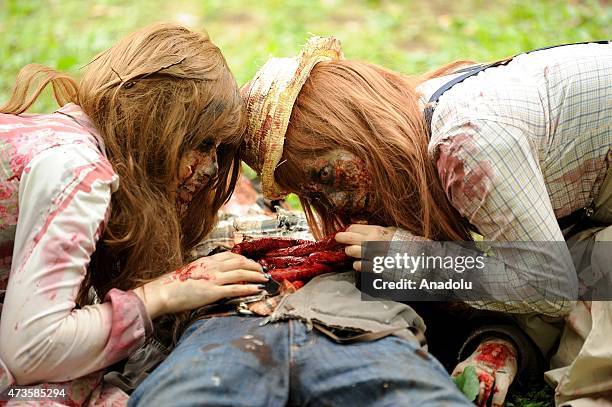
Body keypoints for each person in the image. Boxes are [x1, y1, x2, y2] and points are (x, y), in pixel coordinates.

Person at [239, 37, 612, 406]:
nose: (335, 202)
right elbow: (537, 258)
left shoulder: (466, 143)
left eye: (324, 175)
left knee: (589, 372)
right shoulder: (426, 109)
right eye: (314, 195)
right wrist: (499, 341)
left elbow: (549, 286)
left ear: (353, 126)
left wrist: (420, 263)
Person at [129, 38, 473, 407]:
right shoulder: (187, 234)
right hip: (223, 332)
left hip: (361, 330)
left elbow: (472, 289)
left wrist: (498, 344)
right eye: (225, 182)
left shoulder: (368, 229)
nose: (229, 183)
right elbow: (126, 315)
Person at [0, 22, 269, 406]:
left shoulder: (71, 140)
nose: (210, 169)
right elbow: (30, 351)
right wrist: (159, 295)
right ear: (159, 123)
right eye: (204, 143)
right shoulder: (79, 170)